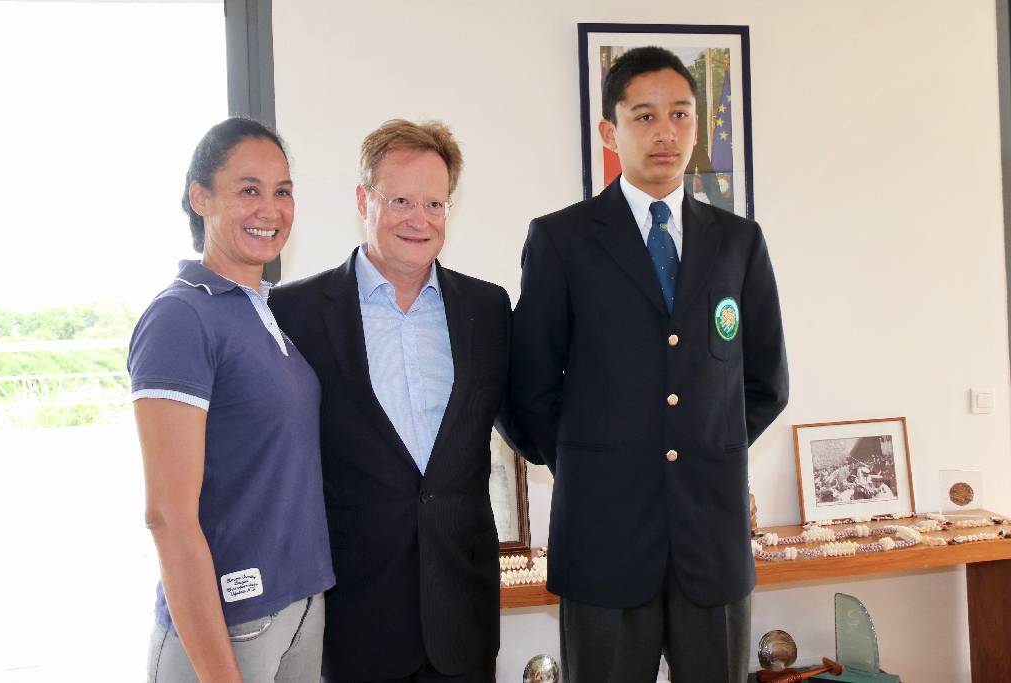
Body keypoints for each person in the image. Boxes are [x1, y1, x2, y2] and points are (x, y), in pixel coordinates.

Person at [510, 46, 789, 683]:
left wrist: (702, 446)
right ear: (611, 131)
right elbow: (527, 387)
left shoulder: (739, 242)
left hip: (711, 541)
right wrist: (593, 459)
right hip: (603, 540)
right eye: (644, 116)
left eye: (680, 115)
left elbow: (765, 380)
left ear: (697, 125)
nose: (664, 132)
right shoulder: (563, 239)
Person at [270, 119, 511, 683]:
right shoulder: (296, 313)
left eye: (434, 202)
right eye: (400, 199)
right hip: (355, 612)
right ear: (363, 200)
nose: (418, 218)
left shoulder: (488, 310)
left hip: (462, 610)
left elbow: (527, 421)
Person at [129, 118, 335, 682]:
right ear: (200, 198)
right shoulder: (180, 316)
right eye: (249, 190)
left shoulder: (266, 309)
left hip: (298, 606)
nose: (270, 209)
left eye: (282, 191)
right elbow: (168, 516)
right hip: (226, 626)